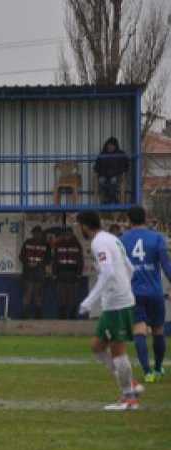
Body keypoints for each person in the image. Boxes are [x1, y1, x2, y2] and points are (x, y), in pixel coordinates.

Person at [76, 211, 143, 411]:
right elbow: (130, 267)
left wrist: (89, 301)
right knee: (97, 347)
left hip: (117, 304)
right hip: (118, 300)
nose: (80, 231)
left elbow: (107, 272)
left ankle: (129, 398)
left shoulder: (98, 243)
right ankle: (130, 384)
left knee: (117, 351)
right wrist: (123, 288)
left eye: (80, 226)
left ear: (86, 226)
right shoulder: (112, 239)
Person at [119, 206, 171, 383]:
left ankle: (147, 372)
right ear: (146, 218)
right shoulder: (157, 238)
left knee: (139, 330)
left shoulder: (122, 240)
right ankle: (157, 368)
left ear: (129, 220)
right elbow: (166, 266)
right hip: (155, 292)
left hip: (133, 293)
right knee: (158, 330)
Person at [52, 228, 84, 320]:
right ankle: (62, 315)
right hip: (61, 273)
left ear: (72, 234)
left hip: (73, 274)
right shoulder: (58, 244)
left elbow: (80, 260)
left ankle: (72, 315)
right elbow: (55, 260)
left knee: (72, 296)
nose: (67, 236)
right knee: (62, 296)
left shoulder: (76, 245)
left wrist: (79, 273)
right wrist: (54, 273)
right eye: (66, 234)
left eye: (69, 234)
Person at [19, 226, 51, 319]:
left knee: (38, 294)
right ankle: (25, 314)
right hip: (28, 272)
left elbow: (48, 259)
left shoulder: (46, 245)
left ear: (41, 234)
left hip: (39, 272)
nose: (36, 235)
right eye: (35, 233)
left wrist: (38, 263)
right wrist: (28, 262)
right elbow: (21, 256)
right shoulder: (27, 242)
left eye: (38, 233)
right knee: (28, 293)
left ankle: (38, 315)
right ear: (32, 233)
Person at [93, 137, 130, 205]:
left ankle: (110, 200)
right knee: (101, 180)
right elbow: (96, 168)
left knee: (113, 180)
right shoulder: (102, 154)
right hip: (104, 176)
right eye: (109, 145)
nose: (110, 147)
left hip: (116, 176)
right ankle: (110, 200)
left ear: (115, 146)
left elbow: (126, 167)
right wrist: (97, 175)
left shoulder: (121, 154)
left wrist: (121, 174)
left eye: (112, 145)